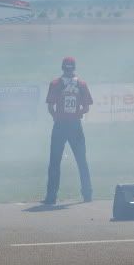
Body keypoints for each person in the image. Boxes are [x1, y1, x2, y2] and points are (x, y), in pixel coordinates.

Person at [43, 56, 93, 205]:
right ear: (74, 68)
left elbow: (50, 107)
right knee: (81, 160)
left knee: (55, 161)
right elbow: (86, 107)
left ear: (62, 68)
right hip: (75, 125)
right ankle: (87, 194)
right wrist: (77, 114)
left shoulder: (56, 83)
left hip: (60, 125)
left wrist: (56, 117)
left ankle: (51, 197)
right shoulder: (81, 84)